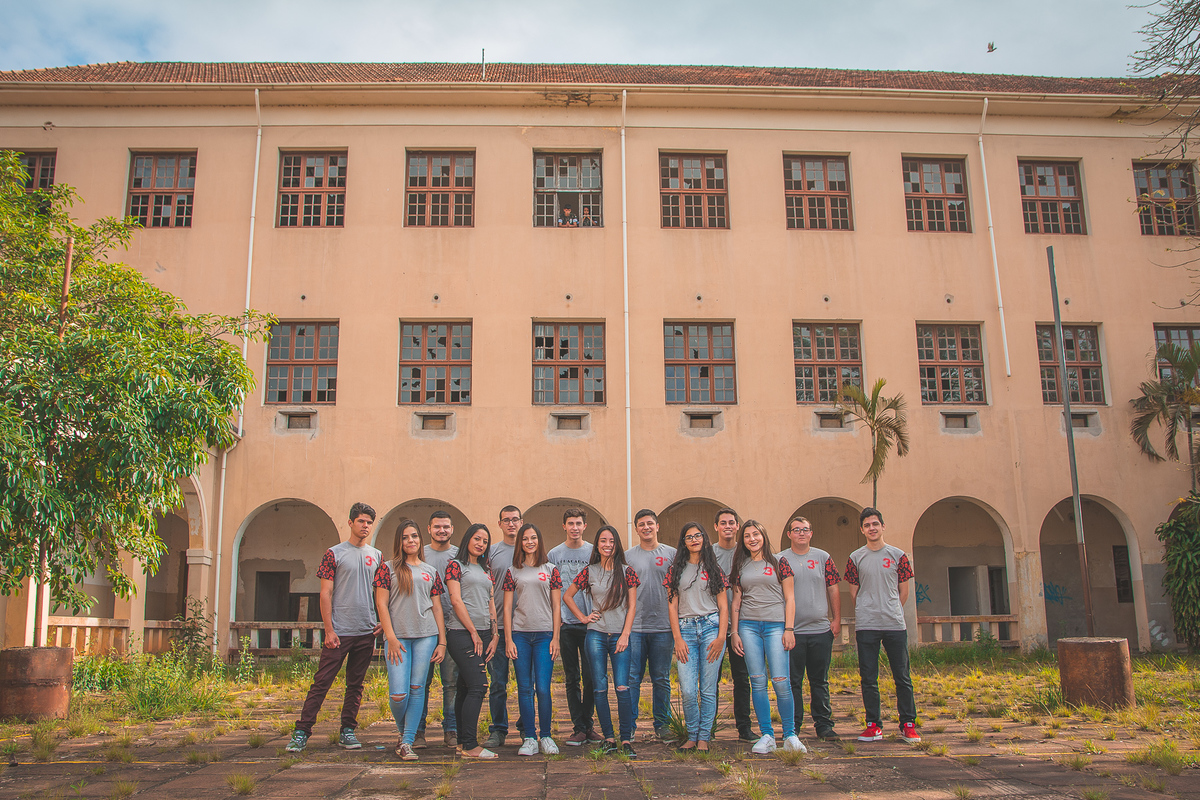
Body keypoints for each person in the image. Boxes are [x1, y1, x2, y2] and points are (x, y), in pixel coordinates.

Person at [286, 502, 383, 753]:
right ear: (350, 523)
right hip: (340, 631)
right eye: (361, 521)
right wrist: (329, 630)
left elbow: (383, 593)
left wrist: (383, 620)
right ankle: (302, 731)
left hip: (366, 630)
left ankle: (348, 730)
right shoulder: (334, 553)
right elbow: (325, 593)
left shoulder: (377, 555)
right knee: (322, 682)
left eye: (369, 522)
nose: (365, 526)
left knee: (356, 684)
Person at [563, 525, 640, 757]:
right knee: (599, 687)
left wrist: (626, 634)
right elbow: (567, 596)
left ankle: (626, 739)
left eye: (611, 541)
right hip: (595, 634)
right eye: (603, 541)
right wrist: (584, 618)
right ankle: (608, 738)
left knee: (622, 687)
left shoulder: (628, 572)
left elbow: (633, 606)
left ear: (617, 544)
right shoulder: (589, 571)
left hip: (620, 635)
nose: (607, 545)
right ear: (597, 544)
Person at [373, 518, 447, 760]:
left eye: (414, 536)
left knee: (417, 688)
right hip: (398, 638)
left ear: (420, 539)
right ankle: (403, 731)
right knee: (398, 694)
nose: (410, 541)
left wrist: (442, 642)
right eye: (405, 537)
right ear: (399, 541)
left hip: (426, 635)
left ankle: (406, 743)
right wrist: (390, 637)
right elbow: (381, 604)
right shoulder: (387, 568)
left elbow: (437, 608)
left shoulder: (430, 572)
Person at [845, 507, 920, 744]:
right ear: (862, 530)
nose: (872, 528)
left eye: (875, 524)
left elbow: (904, 591)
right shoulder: (855, 558)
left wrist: (890, 608)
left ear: (883, 526)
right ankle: (873, 725)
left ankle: (908, 725)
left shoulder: (898, 556)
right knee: (868, 677)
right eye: (867, 525)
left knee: (902, 676)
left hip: (894, 624)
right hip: (866, 625)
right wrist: (870, 607)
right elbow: (854, 592)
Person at [731, 519, 804, 755]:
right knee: (758, 681)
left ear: (764, 536)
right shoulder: (740, 565)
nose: (752, 539)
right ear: (743, 541)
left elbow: (790, 598)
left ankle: (790, 735)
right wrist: (734, 632)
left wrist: (789, 629)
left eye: (756, 534)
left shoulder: (779, 562)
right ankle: (767, 735)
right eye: (747, 536)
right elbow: (736, 601)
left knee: (781, 681)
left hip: (776, 626)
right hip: (748, 627)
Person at [665, 522, 728, 753]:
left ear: (704, 539)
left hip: (711, 628)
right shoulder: (674, 570)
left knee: (708, 689)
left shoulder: (714, 568)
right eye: (689, 537)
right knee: (689, 688)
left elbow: (723, 606)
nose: (694, 540)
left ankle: (704, 738)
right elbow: (672, 607)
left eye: (698, 535)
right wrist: (678, 639)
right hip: (686, 631)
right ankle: (691, 735)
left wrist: (722, 637)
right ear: (683, 542)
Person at [777, 516, 841, 742]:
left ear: (811, 533)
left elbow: (833, 588)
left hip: (820, 630)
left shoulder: (823, 557)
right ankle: (793, 726)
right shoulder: (780, 559)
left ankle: (824, 725)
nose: (801, 533)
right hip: (792, 632)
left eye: (805, 529)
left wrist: (836, 619)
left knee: (819, 681)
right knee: (793, 681)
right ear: (789, 534)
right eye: (797, 530)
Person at [502, 522, 562, 756]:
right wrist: (508, 639)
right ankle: (529, 737)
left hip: (545, 635)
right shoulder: (512, 571)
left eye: (533, 538)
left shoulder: (551, 570)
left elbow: (557, 606)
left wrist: (556, 637)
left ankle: (546, 736)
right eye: (525, 538)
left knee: (544, 688)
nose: (529, 542)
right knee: (524, 688)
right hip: (521, 635)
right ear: (520, 543)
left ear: (539, 541)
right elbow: (507, 609)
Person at [444, 523, 500, 759]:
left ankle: (461, 742)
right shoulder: (455, 566)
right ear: (467, 539)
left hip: (485, 632)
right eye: (477, 538)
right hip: (460, 632)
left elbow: (490, 602)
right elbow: (456, 601)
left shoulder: (486, 570)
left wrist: (495, 634)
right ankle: (469, 745)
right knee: (479, 685)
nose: (481, 544)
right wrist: (473, 633)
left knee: (467, 687)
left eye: (485, 541)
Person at [546, 508, 600, 746]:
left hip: (590, 624)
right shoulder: (554, 554)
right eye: (571, 523)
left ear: (585, 526)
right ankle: (578, 727)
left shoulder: (593, 552)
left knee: (591, 677)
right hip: (566, 623)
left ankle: (588, 724)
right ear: (564, 526)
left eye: (579, 523)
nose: (575, 527)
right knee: (571, 678)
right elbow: (551, 589)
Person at [624, 508, 676, 742]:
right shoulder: (627, 557)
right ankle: (630, 725)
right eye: (641, 524)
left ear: (657, 526)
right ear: (636, 529)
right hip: (634, 628)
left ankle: (663, 724)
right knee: (632, 677)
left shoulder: (672, 555)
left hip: (664, 626)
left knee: (661, 678)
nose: (646, 527)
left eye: (650, 524)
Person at [711, 507, 753, 741]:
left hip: (741, 624)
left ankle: (744, 727)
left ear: (738, 526)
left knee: (742, 677)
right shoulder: (708, 553)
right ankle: (709, 727)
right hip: (714, 625)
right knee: (711, 679)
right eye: (723, 523)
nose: (728, 526)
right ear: (716, 527)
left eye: (732, 523)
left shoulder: (747, 552)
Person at [417, 510, 458, 748]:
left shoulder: (458, 556)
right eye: (437, 527)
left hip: (453, 627)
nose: (441, 530)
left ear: (452, 529)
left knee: (451, 683)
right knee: (421, 682)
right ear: (429, 528)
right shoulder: (420, 553)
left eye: (446, 527)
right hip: (424, 627)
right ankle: (419, 730)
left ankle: (451, 729)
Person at [483, 505, 521, 750]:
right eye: (506, 520)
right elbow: (485, 589)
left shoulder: (531, 549)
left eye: (515, 519)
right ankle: (498, 729)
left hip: (525, 627)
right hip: (497, 626)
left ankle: (528, 727)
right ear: (499, 524)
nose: (511, 524)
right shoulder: (492, 552)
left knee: (528, 683)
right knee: (498, 682)